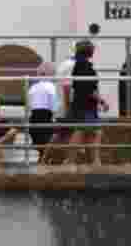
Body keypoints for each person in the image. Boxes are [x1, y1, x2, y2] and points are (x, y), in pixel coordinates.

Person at [66, 40, 109, 168]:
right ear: (89, 51)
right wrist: (102, 101)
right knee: (86, 132)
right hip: (86, 106)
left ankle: (93, 161)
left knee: (90, 133)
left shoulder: (79, 65)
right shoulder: (85, 67)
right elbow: (88, 89)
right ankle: (74, 161)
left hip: (82, 104)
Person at [27, 62, 58, 164]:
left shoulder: (32, 88)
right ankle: (44, 162)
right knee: (48, 145)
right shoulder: (51, 87)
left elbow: (29, 105)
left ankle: (42, 161)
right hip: (46, 118)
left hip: (33, 119)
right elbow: (54, 106)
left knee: (42, 148)